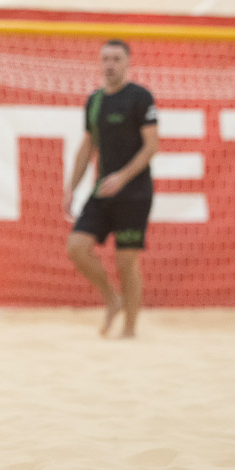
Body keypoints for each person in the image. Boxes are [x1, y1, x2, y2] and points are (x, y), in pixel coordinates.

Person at [62, 40, 159, 338]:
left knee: (126, 262)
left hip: (134, 193)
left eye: (116, 59)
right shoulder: (94, 101)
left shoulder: (140, 97)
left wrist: (123, 177)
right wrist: (71, 187)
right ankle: (111, 298)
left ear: (127, 62)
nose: (110, 65)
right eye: (105, 59)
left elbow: (151, 146)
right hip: (102, 191)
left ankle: (130, 328)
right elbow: (87, 146)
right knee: (76, 247)